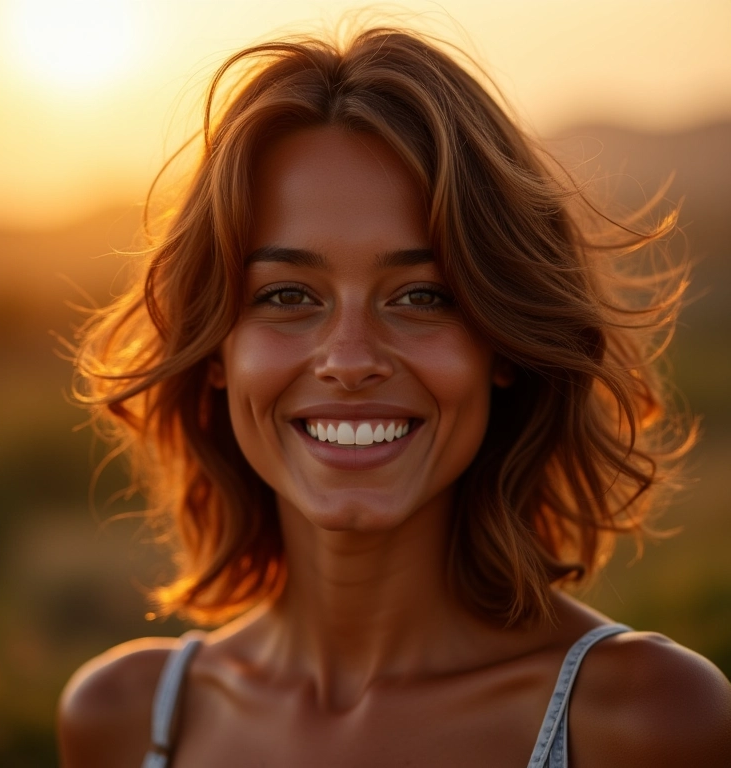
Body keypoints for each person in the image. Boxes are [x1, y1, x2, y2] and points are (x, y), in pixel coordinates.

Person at [57, 24, 731, 768]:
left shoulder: (648, 719)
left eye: (421, 295)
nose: (349, 359)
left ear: (499, 344)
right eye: (286, 294)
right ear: (217, 350)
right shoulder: (124, 719)